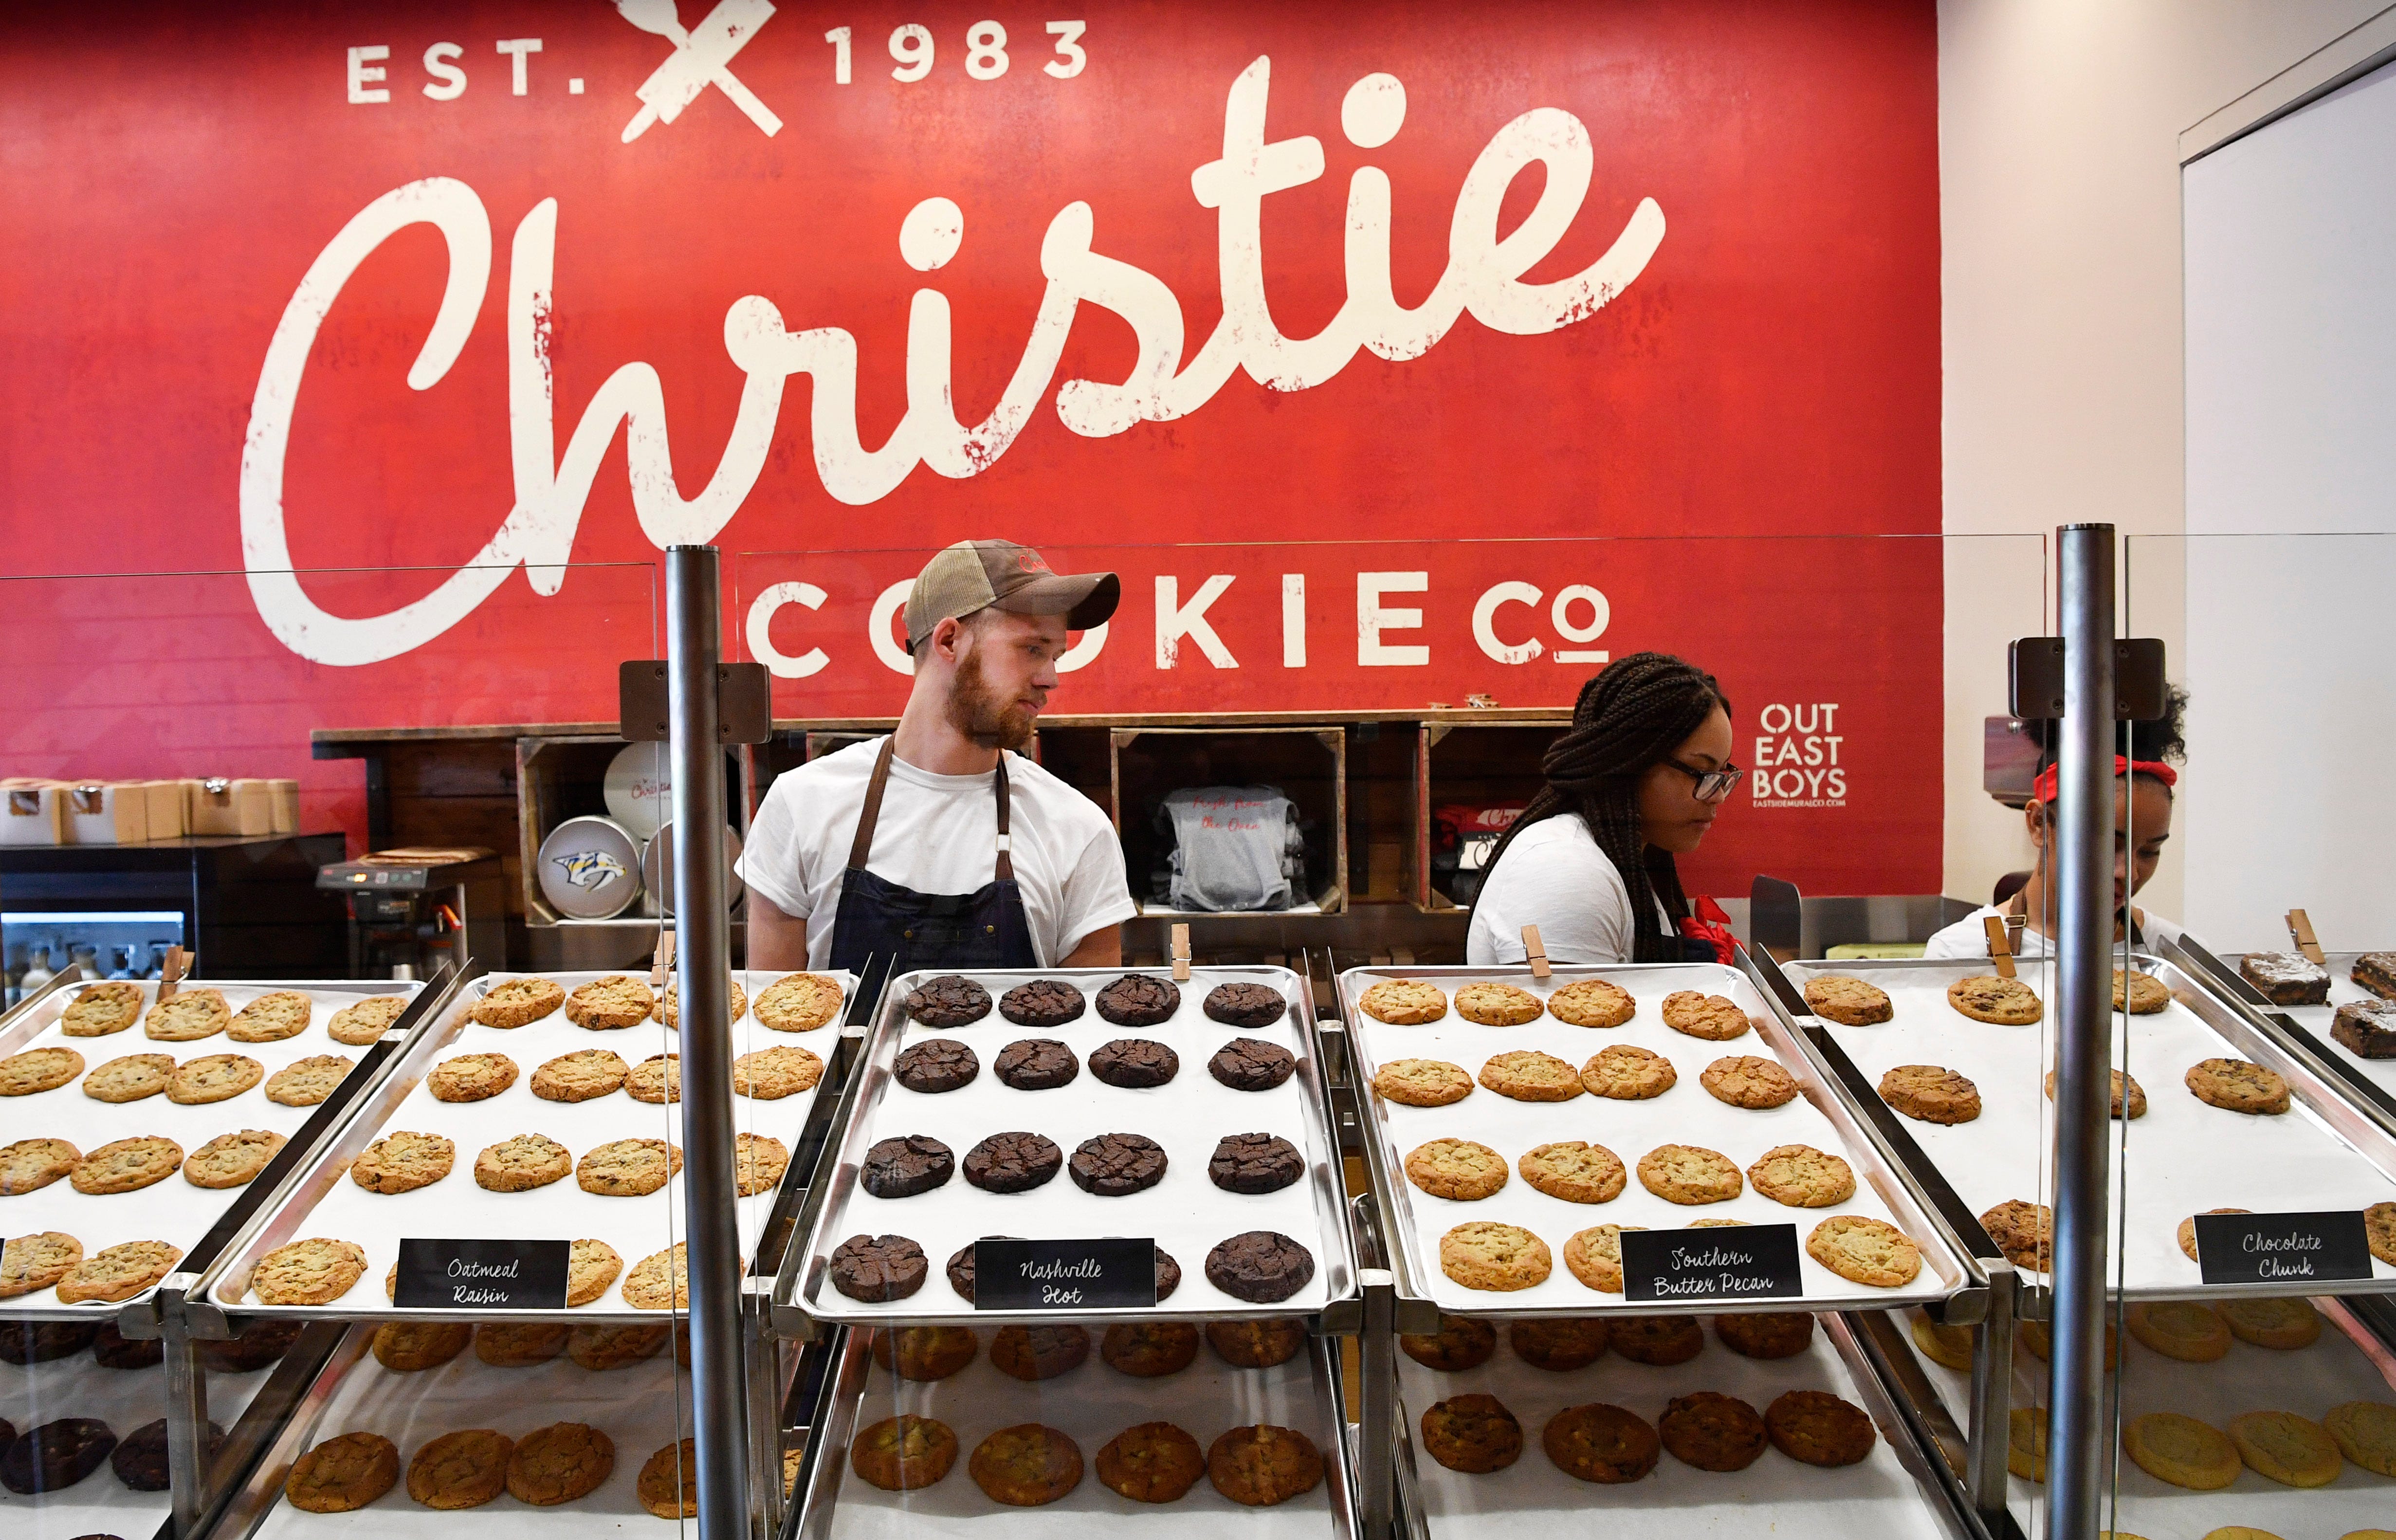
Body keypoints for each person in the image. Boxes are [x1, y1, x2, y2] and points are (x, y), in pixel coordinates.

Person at [737, 540, 1135, 994]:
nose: (1052, 678)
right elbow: (775, 1033)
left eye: (1055, 656)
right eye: (1031, 648)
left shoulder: (1078, 829)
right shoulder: (802, 804)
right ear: (950, 640)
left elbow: (1088, 1038)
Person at [1465, 652, 1740, 966]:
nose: (1718, 796)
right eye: (1702, 773)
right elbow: (1570, 1014)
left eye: (1723, 775)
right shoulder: (1565, 871)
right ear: (1629, 760)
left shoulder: (1632, 857)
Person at [1924, 686, 2191, 959]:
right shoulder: (1958, 953)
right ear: (2039, 823)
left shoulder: (2176, 956)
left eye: (2150, 852)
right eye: (2107, 846)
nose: (2129, 874)